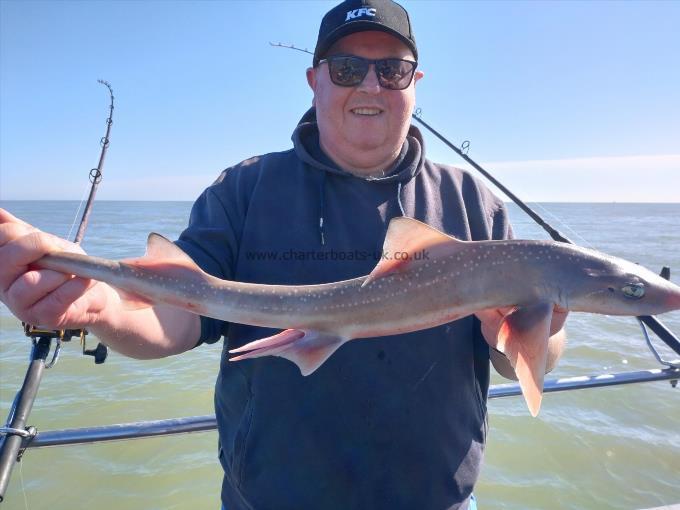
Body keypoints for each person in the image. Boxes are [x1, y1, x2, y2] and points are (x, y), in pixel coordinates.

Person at [0, 1, 566, 508]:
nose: (370, 85)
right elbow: (180, 309)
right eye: (346, 69)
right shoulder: (246, 190)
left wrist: (533, 330)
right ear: (314, 80)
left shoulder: (471, 202)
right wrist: (101, 307)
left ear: (415, 83)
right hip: (271, 497)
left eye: (391, 70)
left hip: (435, 499)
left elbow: (527, 356)